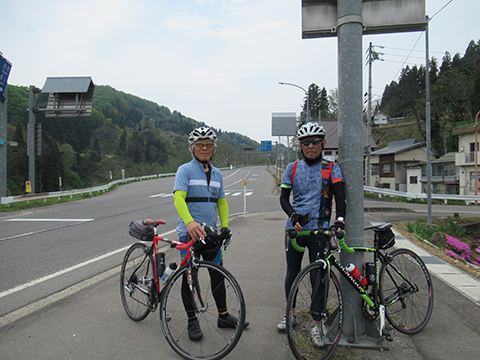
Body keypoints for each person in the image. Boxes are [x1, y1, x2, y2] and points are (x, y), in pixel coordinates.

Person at [173, 126, 248, 341]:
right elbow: (179, 198)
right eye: (200, 144)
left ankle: (223, 316)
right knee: (189, 278)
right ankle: (191, 320)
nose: (204, 148)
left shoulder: (217, 173)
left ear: (214, 147)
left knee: (218, 275)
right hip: (190, 235)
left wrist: (224, 226)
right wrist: (189, 223)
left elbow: (221, 201)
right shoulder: (185, 170)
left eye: (208, 144)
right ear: (192, 148)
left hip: (210, 234)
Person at [277, 122, 346, 346]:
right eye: (306, 143)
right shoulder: (293, 167)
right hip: (295, 230)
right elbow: (284, 199)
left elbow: (340, 196)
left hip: (320, 231)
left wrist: (340, 221)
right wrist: (293, 214)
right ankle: (291, 313)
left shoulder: (331, 168)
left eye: (315, 142)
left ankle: (317, 323)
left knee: (319, 278)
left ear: (323, 144)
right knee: (292, 273)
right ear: (300, 146)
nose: (310, 146)